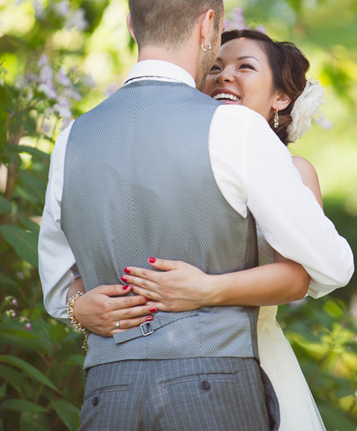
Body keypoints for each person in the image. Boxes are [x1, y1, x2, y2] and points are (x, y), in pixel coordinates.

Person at [39, 0, 354, 431]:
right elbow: (330, 265)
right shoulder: (234, 130)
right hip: (214, 388)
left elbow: (62, 290)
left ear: (130, 24)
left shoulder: (70, 139)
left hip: (108, 393)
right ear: (208, 25)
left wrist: (83, 310)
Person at [72, 28, 334, 430]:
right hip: (124, 372)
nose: (225, 75)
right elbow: (85, 250)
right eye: (215, 67)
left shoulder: (295, 172)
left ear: (281, 97)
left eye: (244, 67)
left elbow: (297, 278)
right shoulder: (173, 155)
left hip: (245, 358)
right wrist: (77, 306)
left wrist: (204, 289)